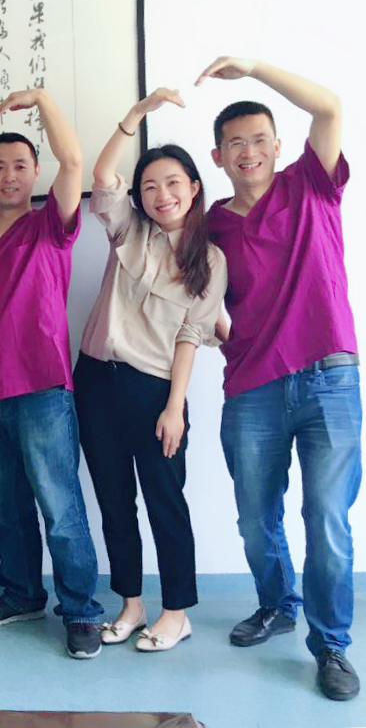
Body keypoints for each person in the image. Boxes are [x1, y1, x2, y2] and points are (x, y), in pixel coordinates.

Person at [196, 56, 359, 700]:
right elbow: (201, 299)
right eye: (236, 143)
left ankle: (332, 645)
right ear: (218, 156)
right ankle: (277, 604)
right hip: (252, 387)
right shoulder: (211, 224)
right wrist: (214, 324)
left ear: (278, 146)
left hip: (328, 378)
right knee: (253, 518)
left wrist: (255, 68)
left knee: (326, 518)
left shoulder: (311, 184)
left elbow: (330, 107)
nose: (249, 151)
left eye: (259, 139)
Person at [76, 88, 227, 653]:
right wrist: (135, 115)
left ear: (194, 187)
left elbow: (192, 335)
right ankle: (131, 604)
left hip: (156, 389)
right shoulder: (128, 231)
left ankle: (176, 612)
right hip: (95, 379)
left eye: (173, 183)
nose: (162, 195)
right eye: (150, 186)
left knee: (166, 501)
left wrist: (174, 407)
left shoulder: (209, 258)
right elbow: (102, 175)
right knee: (114, 500)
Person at [0, 88, 105, 659]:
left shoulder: (51, 226)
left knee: (60, 507)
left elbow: (75, 160)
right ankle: (21, 594)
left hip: (44, 388)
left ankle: (81, 610)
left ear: (36, 172)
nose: (10, 176)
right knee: (5, 508)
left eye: (20, 165)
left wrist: (41, 99)